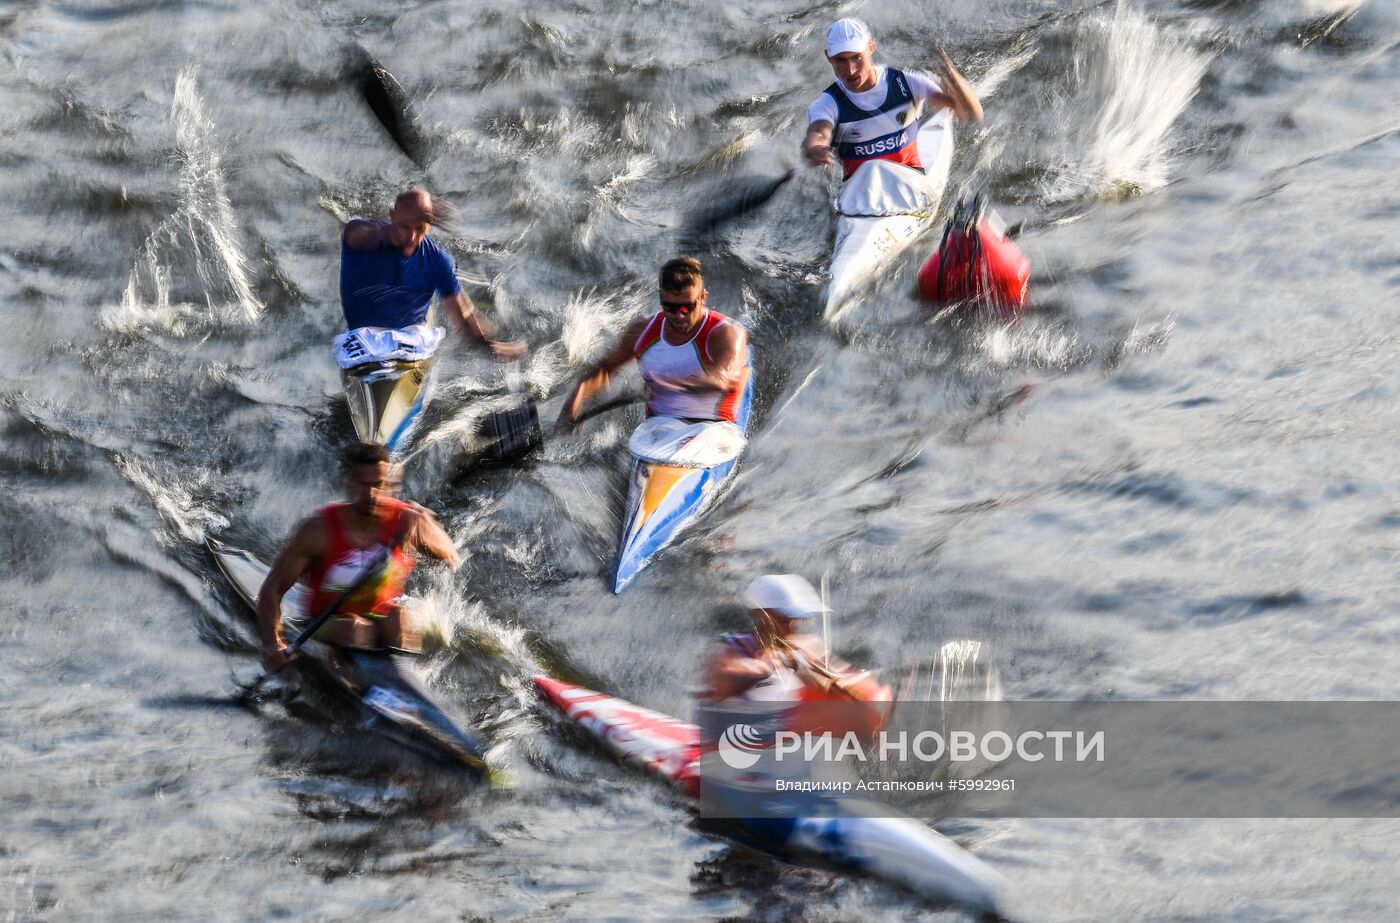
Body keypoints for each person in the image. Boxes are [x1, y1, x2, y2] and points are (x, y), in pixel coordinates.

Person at [256, 442, 458, 672]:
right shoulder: (319, 530)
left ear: (387, 484)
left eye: (378, 485)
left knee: (398, 618)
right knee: (356, 629)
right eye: (363, 485)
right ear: (350, 481)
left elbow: (450, 554)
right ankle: (356, 686)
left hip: (378, 617)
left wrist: (424, 527)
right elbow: (272, 589)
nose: (372, 494)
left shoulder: (405, 519)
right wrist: (273, 643)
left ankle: (402, 684)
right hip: (325, 622)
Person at [556, 257, 749, 427]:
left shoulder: (726, 333)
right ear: (661, 298)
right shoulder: (642, 331)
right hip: (659, 427)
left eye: (687, 306)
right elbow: (605, 369)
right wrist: (571, 407)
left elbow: (722, 380)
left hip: (715, 426)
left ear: (703, 298)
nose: (679, 315)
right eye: (670, 307)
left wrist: (665, 383)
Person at [339, 188, 525, 361]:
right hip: (362, 339)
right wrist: (389, 233)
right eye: (404, 226)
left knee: (467, 309)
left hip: (410, 340)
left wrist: (491, 346)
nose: (411, 237)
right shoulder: (360, 235)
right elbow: (355, 234)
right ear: (392, 216)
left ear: (430, 224)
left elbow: (463, 320)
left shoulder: (437, 260)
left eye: (420, 228)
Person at [801, 18, 983, 180]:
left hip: (912, 183)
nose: (850, 70)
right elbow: (818, 134)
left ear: (871, 47)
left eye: (857, 57)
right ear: (828, 57)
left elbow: (971, 114)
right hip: (859, 197)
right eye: (840, 60)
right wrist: (815, 148)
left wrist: (953, 78)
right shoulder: (827, 103)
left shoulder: (907, 83)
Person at [700, 574, 880, 708]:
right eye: (785, 620)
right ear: (762, 615)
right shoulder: (731, 647)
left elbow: (845, 679)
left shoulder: (806, 646)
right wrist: (765, 666)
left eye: (798, 619)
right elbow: (720, 682)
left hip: (792, 745)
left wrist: (821, 675)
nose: (793, 627)